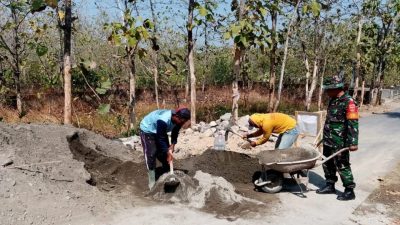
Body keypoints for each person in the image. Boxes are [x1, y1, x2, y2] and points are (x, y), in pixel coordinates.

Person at [316, 71, 359, 201]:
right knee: (327, 162)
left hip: (341, 141)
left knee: (342, 164)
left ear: (336, 89)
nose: (326, 92)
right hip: (329, 138)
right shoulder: (333, 100)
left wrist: (353, 142)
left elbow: (353, 123)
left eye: (329, 89)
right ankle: (330, 185)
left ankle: (349, 190)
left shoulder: (349, 102)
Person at [139, 107, 191, 189]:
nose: (182, 124)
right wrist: (168, 152)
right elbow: (160, 138)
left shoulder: (179, 121)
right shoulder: (163, 120)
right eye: (181, 121)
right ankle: (152, 181)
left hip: (160, 131)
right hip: (148, 130)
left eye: (184, 122)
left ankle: (167, 173)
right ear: (176, 116)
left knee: (164, 154)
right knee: (151, 154)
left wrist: (173, 144)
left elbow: (175, 132)